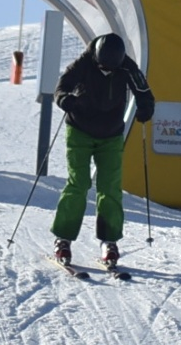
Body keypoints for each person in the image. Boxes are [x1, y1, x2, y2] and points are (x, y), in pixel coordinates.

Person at [51, 33, 153, 267]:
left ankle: (109, 241)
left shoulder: (127, 67)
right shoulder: (83, 62)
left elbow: (144, 91)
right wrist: (64, 99)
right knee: (79, 183)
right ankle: (63, 238)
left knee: (110, 187)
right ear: (96, 56)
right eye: (102, 66)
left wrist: (146, 107)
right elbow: (61, 87)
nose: (106, 70)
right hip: (79, 129)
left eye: (111, 68)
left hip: (111, 134)